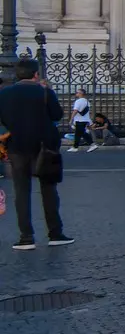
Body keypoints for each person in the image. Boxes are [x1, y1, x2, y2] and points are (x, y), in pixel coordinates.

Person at [0, 57, 68, 249]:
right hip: (44, 147)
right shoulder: (44, 92)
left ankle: (26, 237)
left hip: (17, 146)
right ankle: (55, 233)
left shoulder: (4, 94)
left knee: (21, 191)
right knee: (49, 190)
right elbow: (57, 115)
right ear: (36, 74)